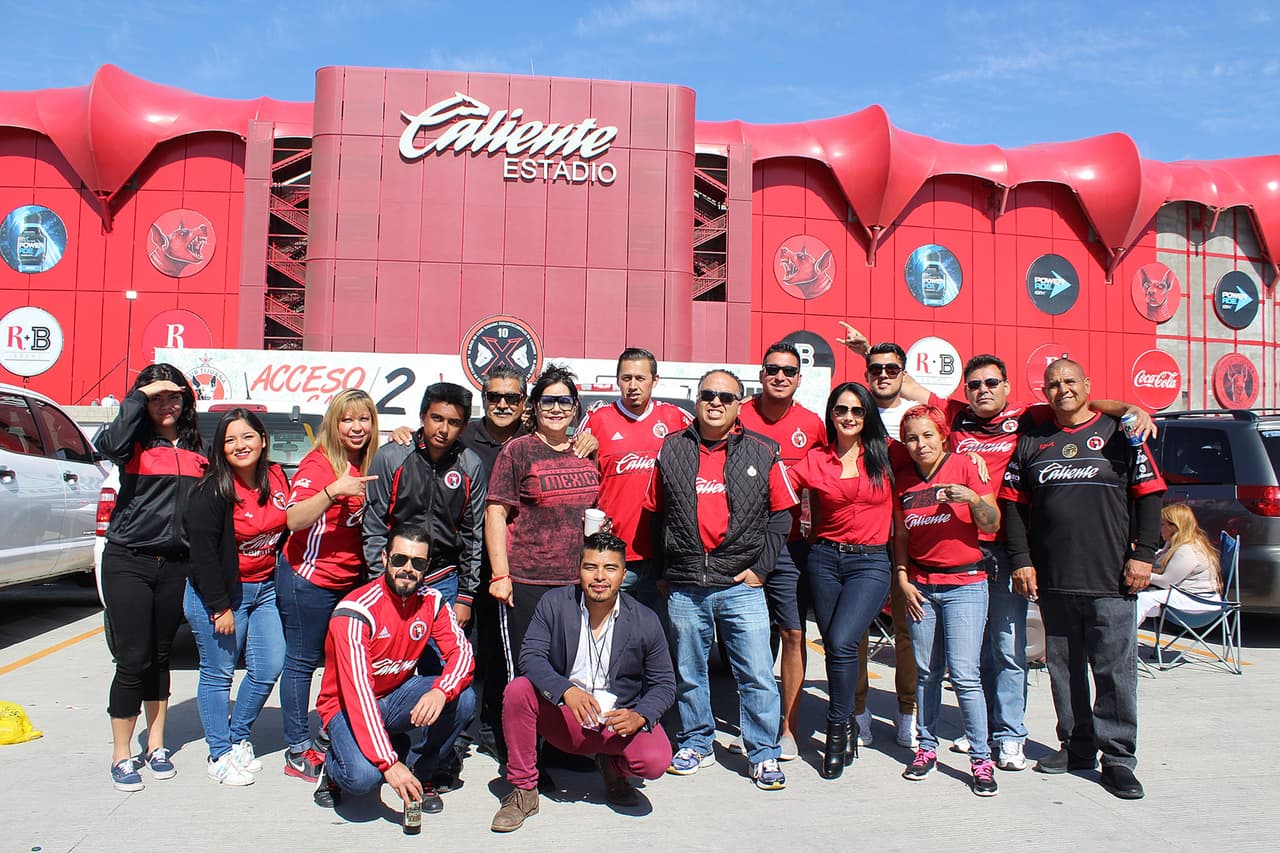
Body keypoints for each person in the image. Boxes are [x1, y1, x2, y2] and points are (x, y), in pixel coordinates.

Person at [1001, 358, 1166, 800]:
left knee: (1114, 673)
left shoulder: (1122, 433)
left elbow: (1150, 497)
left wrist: (1143, 555)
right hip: (1054, 579)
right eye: (1053, 384)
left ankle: (1117, 760)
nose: (1062, 390)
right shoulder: (1032, 438)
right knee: (1063, 670)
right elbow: (1013, 506)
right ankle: (1075, 747)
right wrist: (1022, 559)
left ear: (1087, 385)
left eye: (1070, 381)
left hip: (1112, 578)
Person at [647, 369, 798, 791]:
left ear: (738, 404)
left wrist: (762, 570)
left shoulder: (764, 451)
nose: (715, 402)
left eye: (725, 397)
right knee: (690, 671)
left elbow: (782, 515)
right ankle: (698, 742)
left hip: (740, 584)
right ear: (696, 399)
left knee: (756, 674)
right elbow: (655, 514)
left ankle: (764, 753)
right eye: (707, 394)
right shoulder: (670, 449)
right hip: (686, 583)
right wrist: (664, 572)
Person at [490, 533, 676, 832]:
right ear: (578, 569)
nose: (600, 577)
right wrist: (566, 691)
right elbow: (531, 657)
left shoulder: (645, 619)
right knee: (519, 690)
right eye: (591, 567)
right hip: (566, 719)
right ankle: (524, 790)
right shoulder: (554, 604)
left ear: (623, 574)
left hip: (615, 724)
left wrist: (639, 716)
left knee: (655, 760)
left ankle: (612, 769)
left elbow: (664, 683)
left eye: (610, 568)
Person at [95, 363, 207, 792]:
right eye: (156, 396)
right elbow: (108, 442)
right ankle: (121, 755)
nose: (166, 404)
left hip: (174, 565)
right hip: (128, 561)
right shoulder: (131, 444)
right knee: (133, 657)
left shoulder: (199, 450)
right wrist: (138, 398)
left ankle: (156, 744)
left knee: (161, 656)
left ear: (186, 401)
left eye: (173, 396)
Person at [312, 524, 475, 813]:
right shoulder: (355, 611)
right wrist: (389, 764)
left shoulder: (432, 601)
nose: (408, 569)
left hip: (394, 694)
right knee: (363, 778)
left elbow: (462, 653)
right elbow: (359, 695)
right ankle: (333, 767)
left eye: (418, 563)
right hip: (346, 706)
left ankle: (420, 773)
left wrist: (441, 691)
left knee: (462, 698)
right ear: (385, 558)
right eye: (400, 559)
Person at [787, 382, 902, 779]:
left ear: (867, 414)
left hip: (870, 563)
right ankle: (849, 723)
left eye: (856, 410)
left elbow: (932, 452)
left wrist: (970, 466)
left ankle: (838, 729)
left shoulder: (888, 455)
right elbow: (777, 486)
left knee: (839, 641)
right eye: (841, 410)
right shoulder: (816, 458)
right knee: (840, 649)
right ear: (831, 415)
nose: (849, 417)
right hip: (824, 559)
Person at [894, 405, 1002, 796]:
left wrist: (973, 498)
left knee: (965, 675)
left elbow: (991, 523)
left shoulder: (965, 467)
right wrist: (903, 579)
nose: (919, 444)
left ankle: (981, 758)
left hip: (966, 585)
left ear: (942, 434)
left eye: (926, 435)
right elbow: (901, 537)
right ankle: (926, 748)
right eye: (911, 437)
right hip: (922, 585)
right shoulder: (904, 479)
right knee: (926, 673)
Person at [183, 409, 289, 786]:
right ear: (220, 448)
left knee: (268, 666)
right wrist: (219, 606)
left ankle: (238, 734)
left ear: (262, 439)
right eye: (230, 440)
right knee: (218, 674)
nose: (240, 446)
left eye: (247, 437)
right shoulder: (211, 489)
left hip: (265, 591)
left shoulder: (277, 476)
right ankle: (219, 753)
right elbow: (203, 554)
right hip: (222, 595)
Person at [279, 389, 380, 781]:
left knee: (342, 662)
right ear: (333, 425)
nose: (356, 427)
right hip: (308, 578)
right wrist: (331, 492)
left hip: (351, 582)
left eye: (364, 419)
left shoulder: (371, 461)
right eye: (347, 419)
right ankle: (296, 747)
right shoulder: (320, 464)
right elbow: (293, 519)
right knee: (302, 662)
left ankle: (329, 732)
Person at [737, 342, 825, 762]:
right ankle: (756, 719)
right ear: (761, 374)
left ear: (799, 379)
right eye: (773, 369)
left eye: (789, 371)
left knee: (793, 632)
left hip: (791, 545)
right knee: (751, 637)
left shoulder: (812, 423)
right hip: (742, 545)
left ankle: (787, 727)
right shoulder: (738, 415)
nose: (780, 377)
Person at [486, 364, 602, 680]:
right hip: (527, 582)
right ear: (534, 407)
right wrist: (501, 575)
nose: (556, 409)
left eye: (564, 401)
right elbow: (496, 513)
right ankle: (522, 732)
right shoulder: (518, 450)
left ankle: (556, 733)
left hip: (577, 581)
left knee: (570, 671)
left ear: (575, 407)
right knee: (527, 673)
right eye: (547, 401)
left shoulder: (586, 451)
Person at [833, 330, 918, 749]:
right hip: (861, 549)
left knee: (906, 633)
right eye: (875, 369)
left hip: (902, 547)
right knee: (856, 634)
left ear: (902, 373)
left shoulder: (914, 418)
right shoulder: (854, 421)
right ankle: (858, 712)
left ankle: (907, 712)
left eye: (891, 369)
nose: (883, 375)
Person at [582, 347, 692, 616]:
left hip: (664, 556)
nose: (633, 386)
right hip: (614, 554)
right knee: (610, 634)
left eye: (640, 378)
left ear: (655, 380)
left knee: (660, 638)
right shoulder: (597, 420)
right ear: (618, 380)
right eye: (626, 378)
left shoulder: (677, 418)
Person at [364, 382, 486, 618]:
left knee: (443, 654)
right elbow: (374, 526)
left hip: (444, 579)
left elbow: (473, 536)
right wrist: (379, 582)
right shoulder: (391, 456)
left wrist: (465, 596)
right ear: (422, 417)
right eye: (437, 418)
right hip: (395, 575)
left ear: (462, 428)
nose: (443, 429)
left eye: (453, 422)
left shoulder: (471, 466)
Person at [1136, 503, 1222, 622]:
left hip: (1198, 602)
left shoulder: (1188, 549)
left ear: (1174, 527)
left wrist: (1138, 574)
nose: (1159, 528)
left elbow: (1166, 582)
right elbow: (1158, 560)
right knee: (1134, 600)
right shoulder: (1176, 543)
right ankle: (1126, 635)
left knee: (1141, 599)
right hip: (1188, 597)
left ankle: (1123, 638)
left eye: (1162, 524)